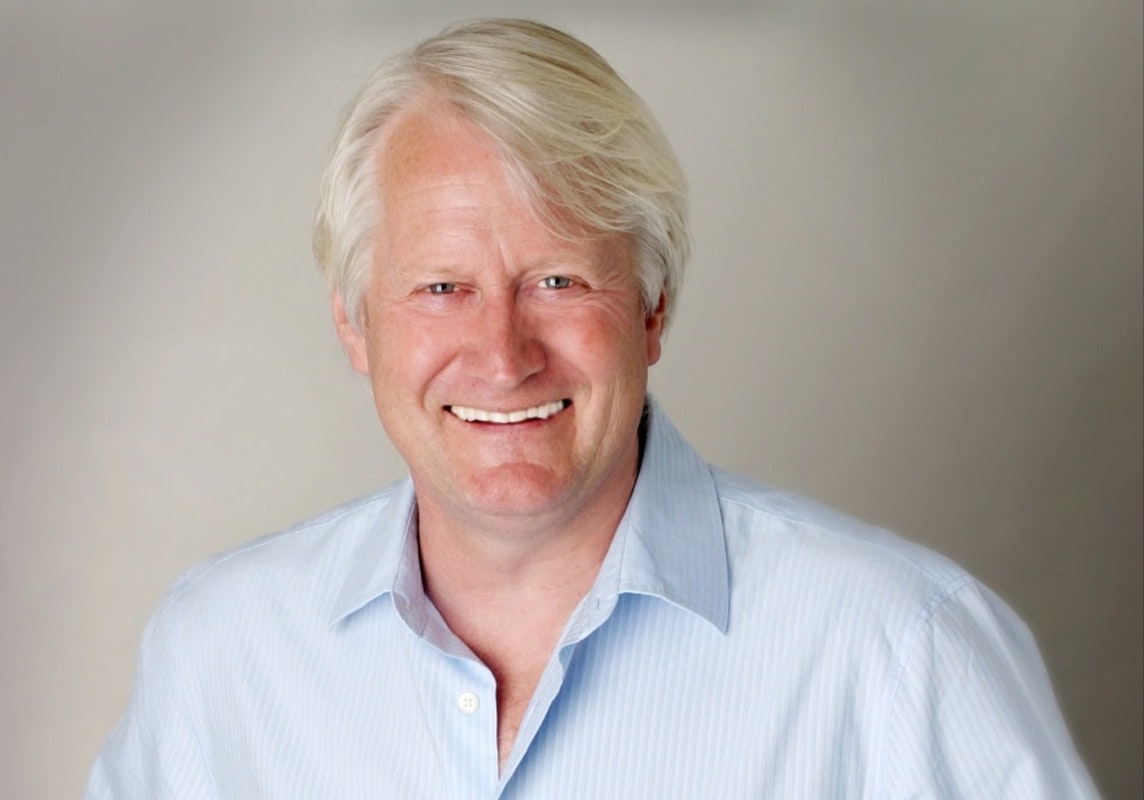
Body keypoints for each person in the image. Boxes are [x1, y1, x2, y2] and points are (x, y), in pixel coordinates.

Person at [86, 18, 1099, 799]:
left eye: (560, 280)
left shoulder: (898, 650)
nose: (503, 353)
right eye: (441, 287)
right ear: (356, 327)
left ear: (654, 306)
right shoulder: (220, 652)